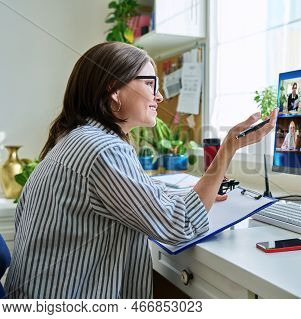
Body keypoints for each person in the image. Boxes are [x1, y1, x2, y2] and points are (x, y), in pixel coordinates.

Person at [4, 42, 277, 299]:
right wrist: (228, 148)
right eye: (149, 84)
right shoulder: (104, 150)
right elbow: (179, 225)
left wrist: (197, 192)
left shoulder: (76, 138)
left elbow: (143, 197)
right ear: (113, 89)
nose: (159, 95)